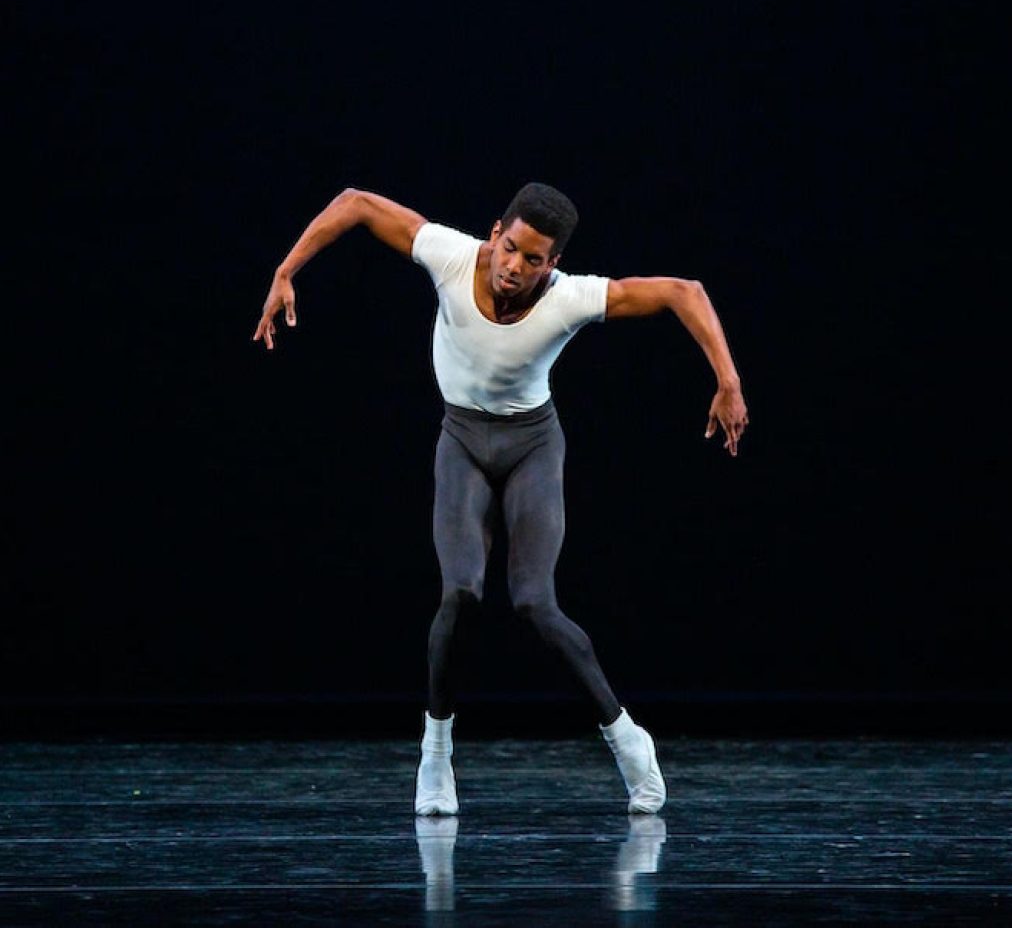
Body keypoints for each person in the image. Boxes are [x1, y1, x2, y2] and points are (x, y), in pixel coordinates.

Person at [252, 182, 749, 817]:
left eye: (533, 260)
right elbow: (355, 203)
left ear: (553, 266)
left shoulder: (568, 298)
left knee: (536, 603)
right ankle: (436, 753)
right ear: (494, 233)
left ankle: (628, 741)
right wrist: (287, 269)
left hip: (531, 447)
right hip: (460, 440)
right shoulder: (452, 256)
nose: (514, 267)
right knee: (459, 593)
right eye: (510, 248)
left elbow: (686, 293)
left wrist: (727, 380)